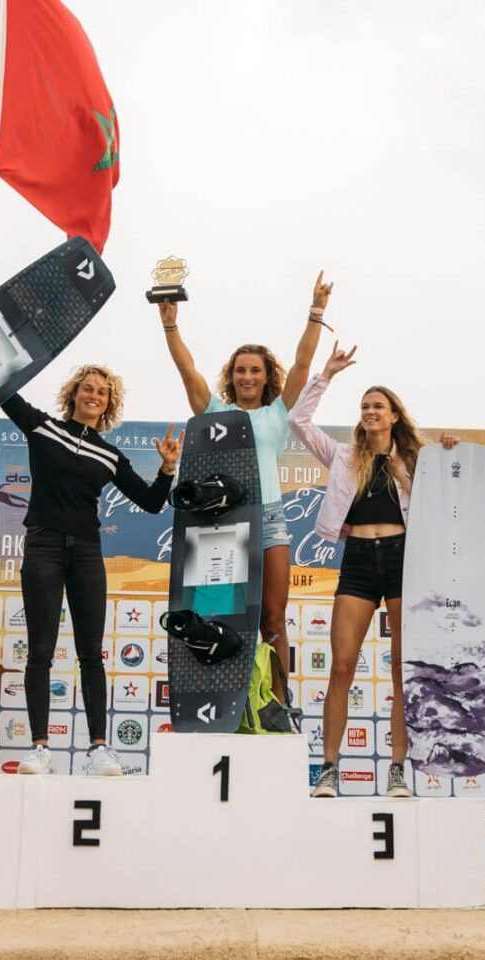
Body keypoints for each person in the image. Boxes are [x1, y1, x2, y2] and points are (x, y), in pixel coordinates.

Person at [288, 345, 456, 799]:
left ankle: (398, 770)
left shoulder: (416, 458)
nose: (369, 412)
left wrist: (449, 453)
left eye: (377, 406)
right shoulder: (343, 456)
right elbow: (298, 422)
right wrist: (326, 374)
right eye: (364, 407)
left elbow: (453, 482)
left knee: (404, 668)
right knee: (341, 666)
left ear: (394, 415)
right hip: (359, 561)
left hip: (404, 560)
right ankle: (329, 768)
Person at [158, 272, 331, 704]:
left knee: (273, 617)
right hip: (223, 525)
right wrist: (170, 324)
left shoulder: (277, 413)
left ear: (266, 374)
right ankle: (228, 700)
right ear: (231, 376)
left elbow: (304, 364)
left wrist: (316, 312)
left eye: (255, 370)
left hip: (269, 517)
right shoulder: (214, 410)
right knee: (223, 619)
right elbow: (186, 371)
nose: (247, 376)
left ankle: (277, 702)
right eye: (240, 370)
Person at [1, 366, 181, 776]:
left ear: (108, 403)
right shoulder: (43, 428)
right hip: (43, 545)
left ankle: (99, 748)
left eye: (101, 392)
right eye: (87, 388)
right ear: (74, 394)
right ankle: (39, 748)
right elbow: (4, 392)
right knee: (40, 651)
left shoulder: (110, 454)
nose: (94, 395)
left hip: (86, 551)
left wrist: (167, 468)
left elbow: (152, 502)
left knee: (91, 654)